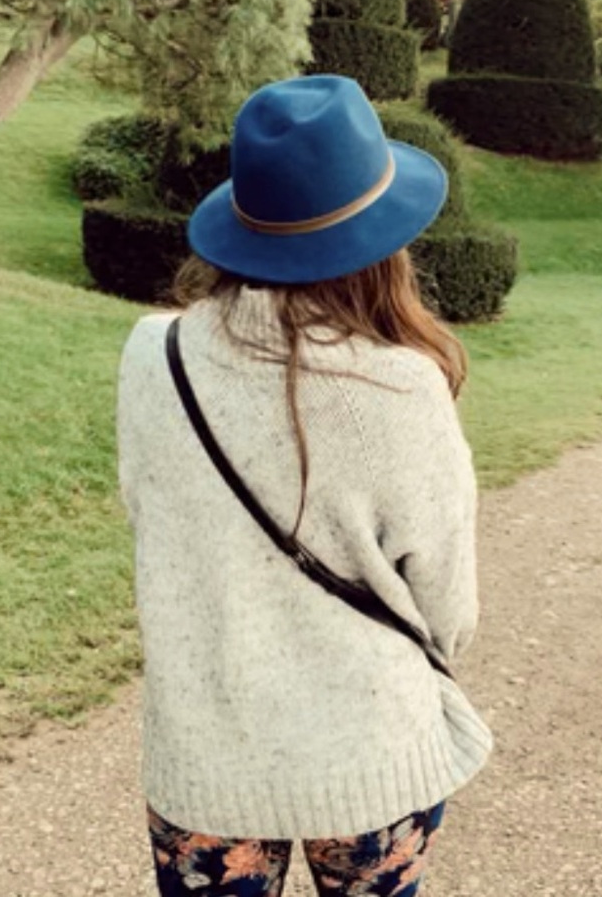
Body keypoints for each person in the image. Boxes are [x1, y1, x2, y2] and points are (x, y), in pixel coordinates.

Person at [116, 75, 492, 897]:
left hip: (204, 750)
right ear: (384, 239)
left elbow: (152, 517)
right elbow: (448, 609)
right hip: (371, 755)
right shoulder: (402, 388)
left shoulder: (153, 356)